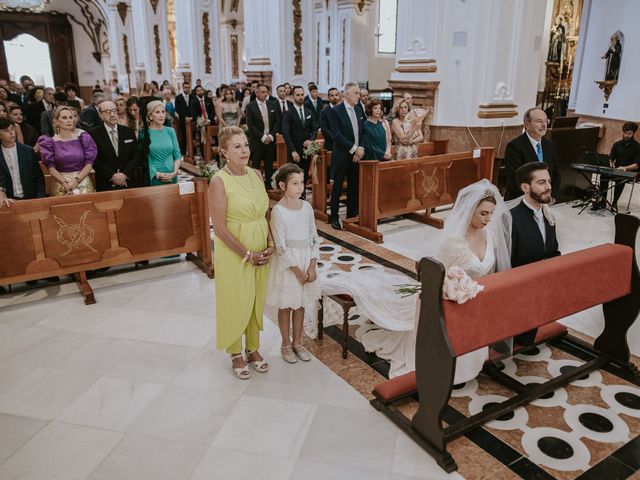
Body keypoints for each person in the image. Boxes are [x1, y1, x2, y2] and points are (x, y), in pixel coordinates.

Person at [208, 126, 274, 379]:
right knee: (237, 298)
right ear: (224, 152)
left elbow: (264, 213)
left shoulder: (256, 174)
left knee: (256, 297)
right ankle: (236, 351)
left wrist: (269, 243)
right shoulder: (219, 181)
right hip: (235, 249)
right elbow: (220, 229)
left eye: (245, 144)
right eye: (237, 146)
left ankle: (253, 347)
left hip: (259, 243)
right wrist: (247, 254)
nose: (244, 150)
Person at [266, 163, 320, 363]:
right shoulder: (278, 212)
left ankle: (298, 342)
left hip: (306, 259)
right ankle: (286, 343)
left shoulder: (306, 207)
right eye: (295, 183)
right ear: (282, 185)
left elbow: (314, 236)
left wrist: (312, 265)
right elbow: (280, 247)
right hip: (289, 266)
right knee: (286, 305)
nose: (300, 187)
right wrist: (298, 272)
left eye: (301, 183)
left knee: (300, 304)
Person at [510, 162, 560, 345]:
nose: (548, 187)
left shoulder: (548, 215)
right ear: (525, 187)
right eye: (541, 182)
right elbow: (506, 263)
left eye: (548, 181)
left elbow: (553, 250)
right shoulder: (512, 219)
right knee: (520, 341)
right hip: (519, 294)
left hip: (541, 289)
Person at [37, 105, 97, 196]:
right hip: (61, 185)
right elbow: (51, 168)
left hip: (83, 183)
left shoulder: (84, 138)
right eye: (64, 118)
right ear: (56, 121)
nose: (69, 120)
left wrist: (75, 182)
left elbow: (89, 164)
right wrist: (65, 184)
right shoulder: (49, 142)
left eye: (71, 117)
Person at [328, 82, 365, 229]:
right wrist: (354, 149)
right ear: (347, 94)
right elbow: (337, 135)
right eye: (356, 93)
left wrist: (361, 148)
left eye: (359, 93)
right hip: (342, 155)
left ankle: (351, 215)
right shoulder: (336, 111)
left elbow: (363, 131)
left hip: (357, 155)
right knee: (337, 187)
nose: (359, 96)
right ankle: (334, 217)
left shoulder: (359, 109)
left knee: (354, 186)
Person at [503, 108, 560, 201]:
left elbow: (556, 174)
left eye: (546, 121)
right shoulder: (514, 146)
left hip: (545, 200)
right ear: (527, 124)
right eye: (539, 121)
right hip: (520, 200)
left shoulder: (550, 145)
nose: (544, 125)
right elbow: (515, 179)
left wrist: (551, 197)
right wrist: (535, 198)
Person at [89, 100, 140, 191]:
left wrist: (124, 174)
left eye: (114, 110)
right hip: (106, 183)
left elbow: (136, 156)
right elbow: (95, 159)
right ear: (100, 115)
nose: (112, 114)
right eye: (107, 112)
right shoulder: (93, 134)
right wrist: (113, 177)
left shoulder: (128, 131)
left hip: (128, 181)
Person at [597, 122, 640, 211]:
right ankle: (603, 201)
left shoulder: (637, 147)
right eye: (625, 133)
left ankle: (614, 203)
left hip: (629, 173)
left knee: (620, 178)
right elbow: (611, 157)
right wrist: (611, 162)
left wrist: (625, 168)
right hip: (616, 170)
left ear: (633, 133)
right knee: (603, 176)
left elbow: (636, 165)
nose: (626, 135)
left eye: (629, 134)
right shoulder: (617, 144)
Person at [282, 85, 317, 192]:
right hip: (294, 150)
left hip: (306, 151)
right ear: (293, 96)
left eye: (302, 95)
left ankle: (302, 198)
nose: (301, 97)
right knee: (294, 177)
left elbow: (315, 129)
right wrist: (293, 151)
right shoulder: (288, 113)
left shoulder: (309, 112)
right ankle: (293, 199)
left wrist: (311, 140)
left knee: (304, 176)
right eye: (298, 95)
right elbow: (286, 133)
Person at [0, 118, 45, 200]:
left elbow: (39, 177)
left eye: (12, 129)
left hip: (30, 197)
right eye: (6, 130)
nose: (11, 133)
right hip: (8, 200)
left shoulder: (27, 150)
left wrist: (40, 197)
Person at [140, 100, 182, 186]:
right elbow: (145, 158)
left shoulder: (170, 131)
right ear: (150, 116)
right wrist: (156, 174)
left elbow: (177, 155)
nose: (161, 115)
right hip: (154, 177)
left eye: (163, 112)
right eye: (157, 112)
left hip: (172, 176)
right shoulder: (144, 133)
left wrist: (174, 172)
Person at [245, 84, 279, 189]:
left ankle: (268, 185)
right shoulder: (250, 106)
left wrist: (271, 136)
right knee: (255, 165)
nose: (266, 94)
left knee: (269, 165)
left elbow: (277, 122)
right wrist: (263, 137)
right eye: (263, 92)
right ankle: (253, 185)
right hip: (257, 141)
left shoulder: (272, 104)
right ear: (257, 93)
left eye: (267, 92)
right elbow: (251, 126)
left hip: (270, 140)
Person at [174, 82, 197, 154]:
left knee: (192, 137)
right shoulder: (178, 98)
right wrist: (185, 117)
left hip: (192, 120)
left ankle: (193, 153)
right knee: (183, 138)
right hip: (182, 120)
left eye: (188, 87)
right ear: (183, 88)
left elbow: (196, 108)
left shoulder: (193, 97)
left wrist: (192, 117)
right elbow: (178, 109)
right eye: (185, 87)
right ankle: (183, 154)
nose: (187, 89)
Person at [319, 87, 340, 153]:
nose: (334, 97)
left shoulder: (343, 110)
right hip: (330, 144)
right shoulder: (324, 112)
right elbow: (324, 129)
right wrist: (336, 139)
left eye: (336, 95)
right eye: (332, 95)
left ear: (339, 96)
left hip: (344, 144)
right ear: (328, 97)